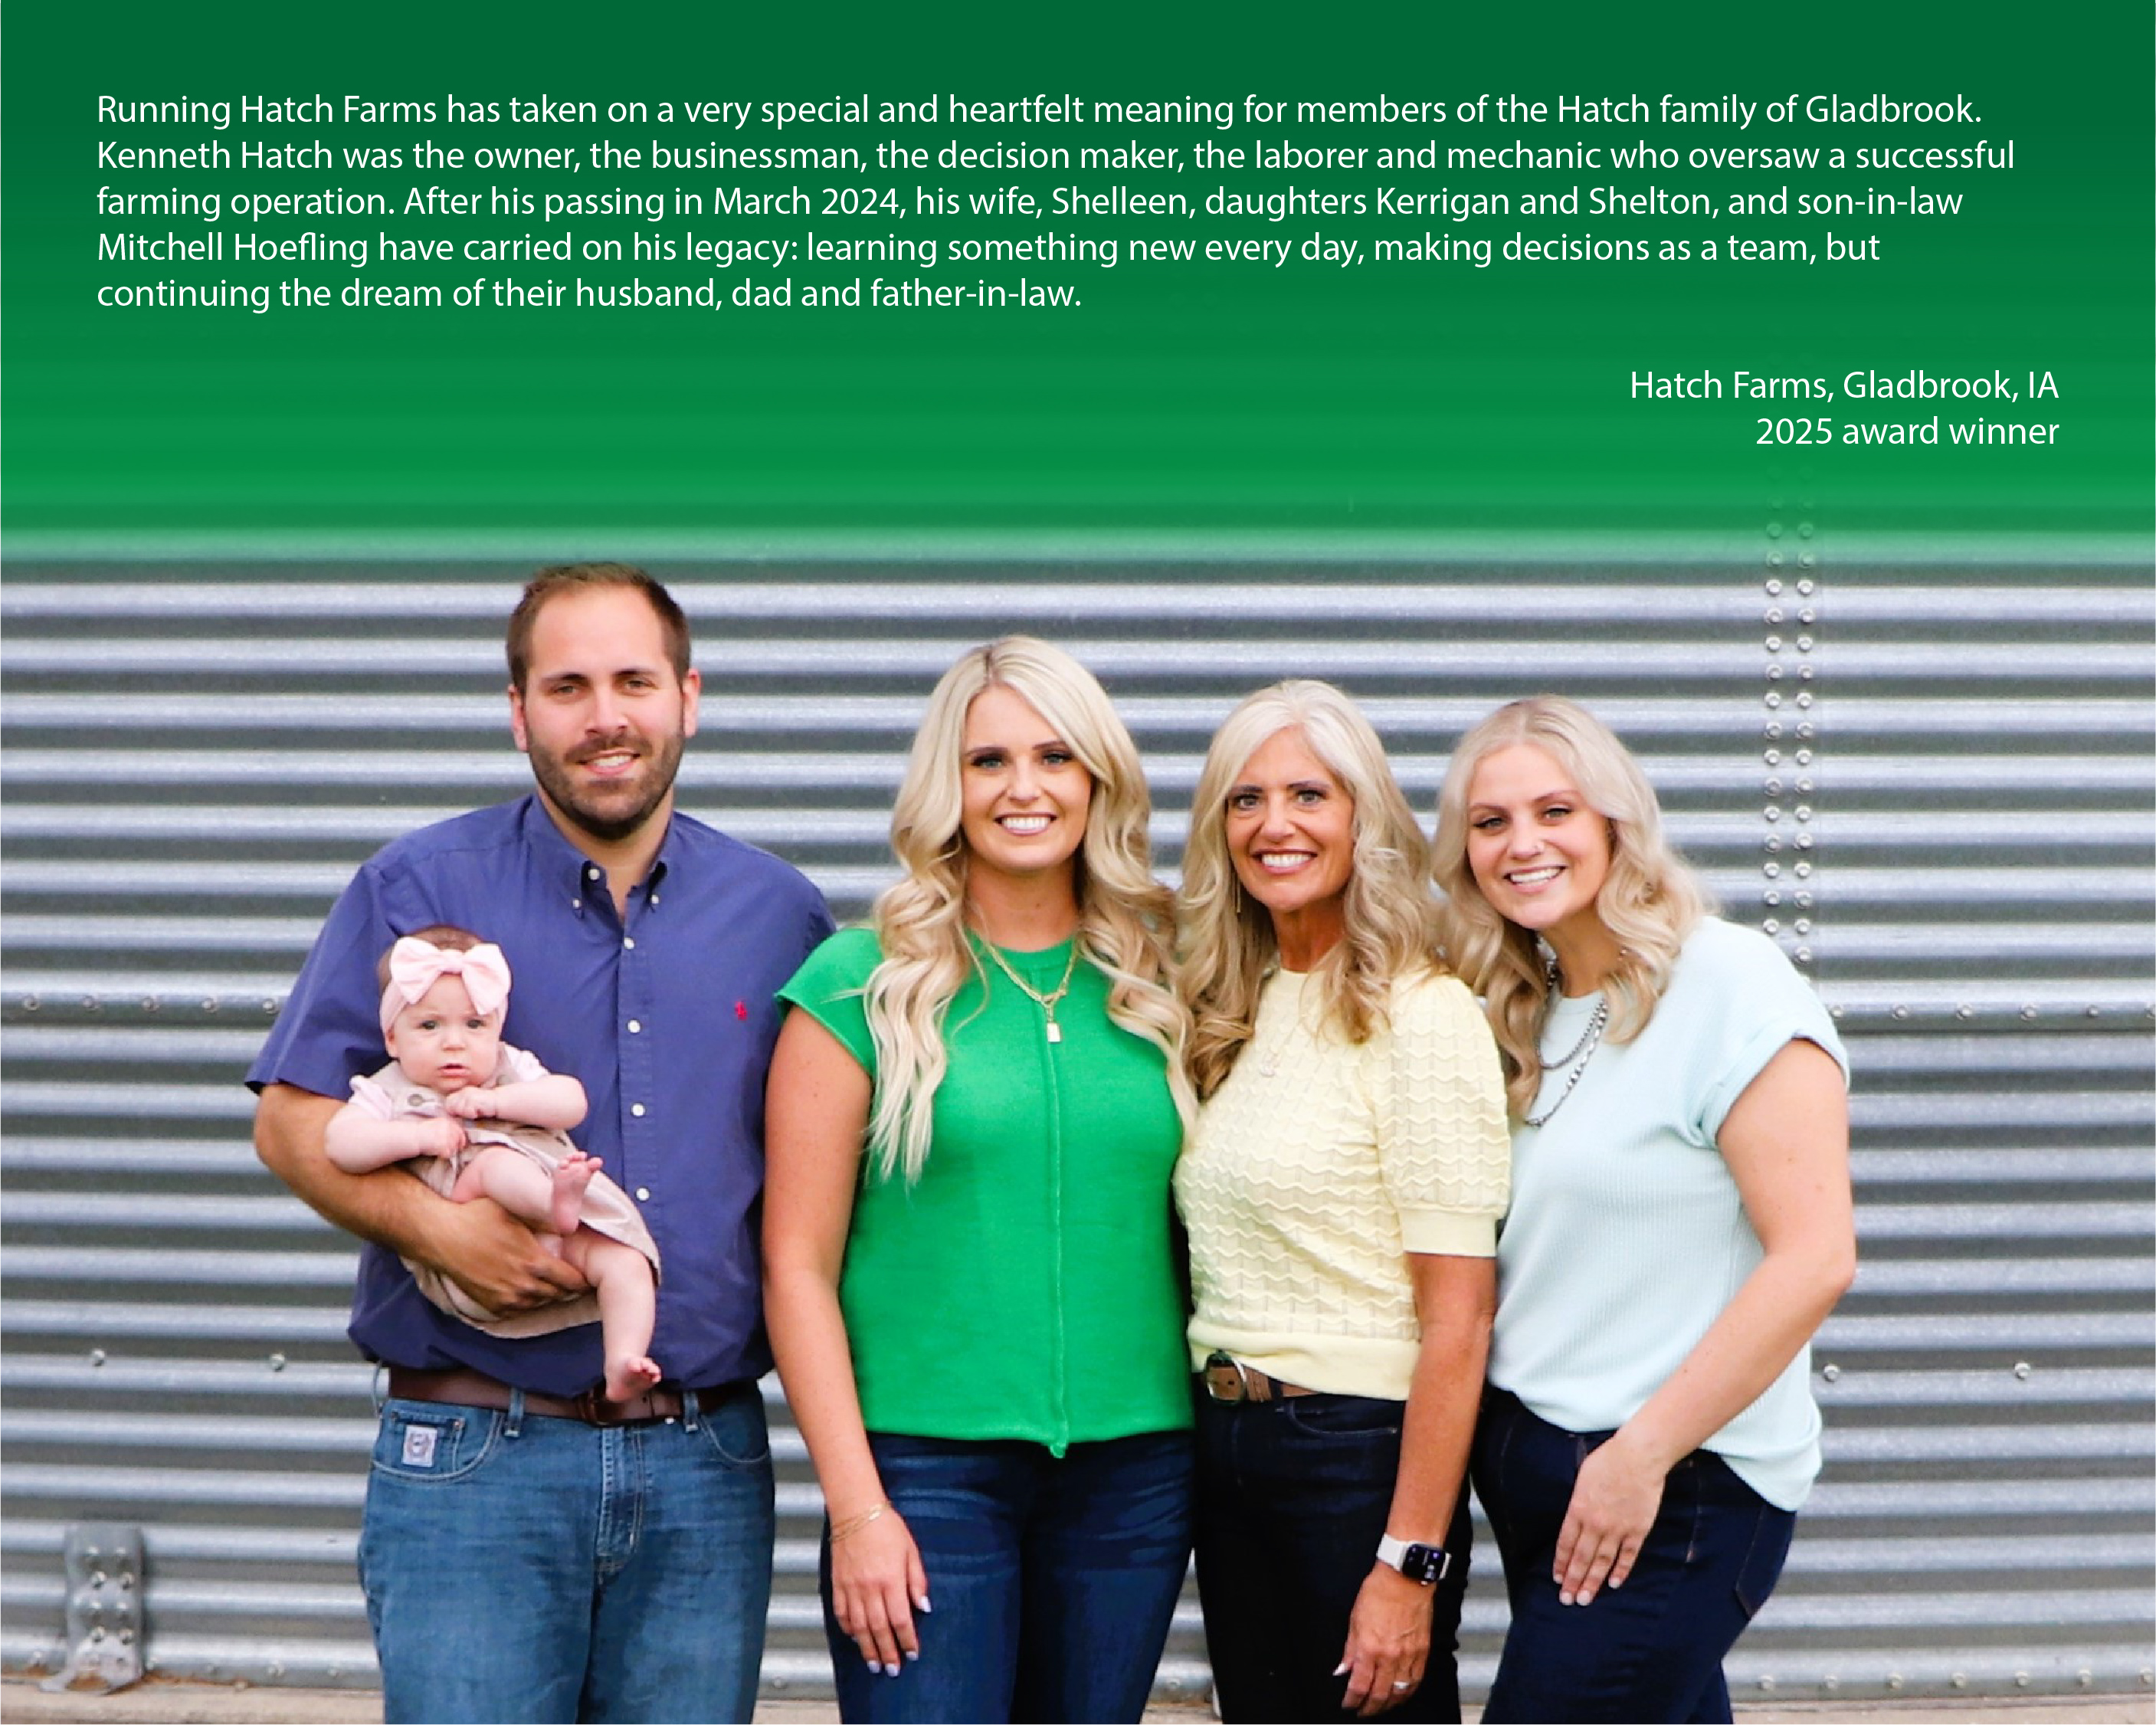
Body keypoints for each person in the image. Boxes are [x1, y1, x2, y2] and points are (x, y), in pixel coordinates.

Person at [250, 563, 832, 1724]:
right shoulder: (418, 888)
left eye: (633, 680)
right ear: (519, 711)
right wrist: (437, 1224)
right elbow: (290, 1117)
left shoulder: (781, 914)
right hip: (475, 1454)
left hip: (702, 1464)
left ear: (689, 696)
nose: (604, 714)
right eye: (566, 685)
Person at [763, 636, 1194, 1723]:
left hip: (1132, 1478)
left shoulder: (1166, 972)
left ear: (1098, 778)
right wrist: (858, 1506)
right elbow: (794, 1266)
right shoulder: (858, 981)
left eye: (1054, 756)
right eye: (988, 759)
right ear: (944, 784)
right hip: (924, 1475)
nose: (1023, 787)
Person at [1430, 695, 1855, 1725]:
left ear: (1616, 823)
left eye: (1554, 810)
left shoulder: (1728, 980)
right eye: (1489, 822)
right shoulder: (1531, 1008)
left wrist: (1640, 1454)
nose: (1521, 843)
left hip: (1676, 1489)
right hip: (1544, 1479)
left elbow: (1815, 1256)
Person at [1173, 680, 1511, 1723]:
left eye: (1307, 794)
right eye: (1244, 798)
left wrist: (1408, 1560)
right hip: (1223, 1443)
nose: (1273, 824)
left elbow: (1458, 1315)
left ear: (1361, 815)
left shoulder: (1424, 1012)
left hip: (1355, 1457)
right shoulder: (1230, 1006)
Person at [326, 926, 664, 1402]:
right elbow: (342, 1143)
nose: (454, 1043)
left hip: (559, 1240)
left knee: (626, 1261)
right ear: (392, 1039)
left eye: (474, 1025)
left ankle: (622, 1362)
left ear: (497, 1029)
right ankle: (553, 1202)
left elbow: (571, 1102)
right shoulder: (387, 1089)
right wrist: (416, 1135)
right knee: (493, 1163)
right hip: (471, 1237)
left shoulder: (511, 1068)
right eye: (429, 1026)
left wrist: (497, 1103)